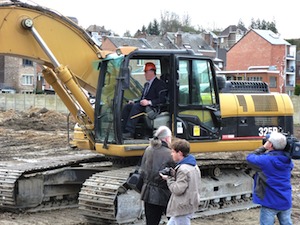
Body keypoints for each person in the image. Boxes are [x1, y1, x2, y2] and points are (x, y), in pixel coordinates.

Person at [246, 131, 294, 225]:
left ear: (270, 144)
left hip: (270, 202)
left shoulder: (266, 160)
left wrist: (264, 147)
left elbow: (250, 158)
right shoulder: (288, 161)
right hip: (285, 200)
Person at [139, 125, 176, 225]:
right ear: (167, 138)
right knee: (174, 221)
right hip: (165, 194)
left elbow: (142, 170)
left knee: (151, 222)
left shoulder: (148, 149)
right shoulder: (170, 153)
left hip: (148, 193)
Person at [160, 138, 201, 225]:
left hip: (182, 206)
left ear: (180, 153)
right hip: (189, 203)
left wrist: (169, 179)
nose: (171, 154)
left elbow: (177, 190)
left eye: (173, 152)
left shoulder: (183, 169)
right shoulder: (193, 165)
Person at [122, 62, 167, 139]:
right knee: (128, 107)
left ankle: (130, 132)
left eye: (146, 72)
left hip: (153, 107)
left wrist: (149, 102)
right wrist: (134, 101)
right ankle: (123, 130)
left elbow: (162, 99)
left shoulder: (159, 84)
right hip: (144, 105)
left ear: (152, 72)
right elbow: (143, 98)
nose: (144, 74)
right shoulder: (146, 85)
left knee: (136, 107)